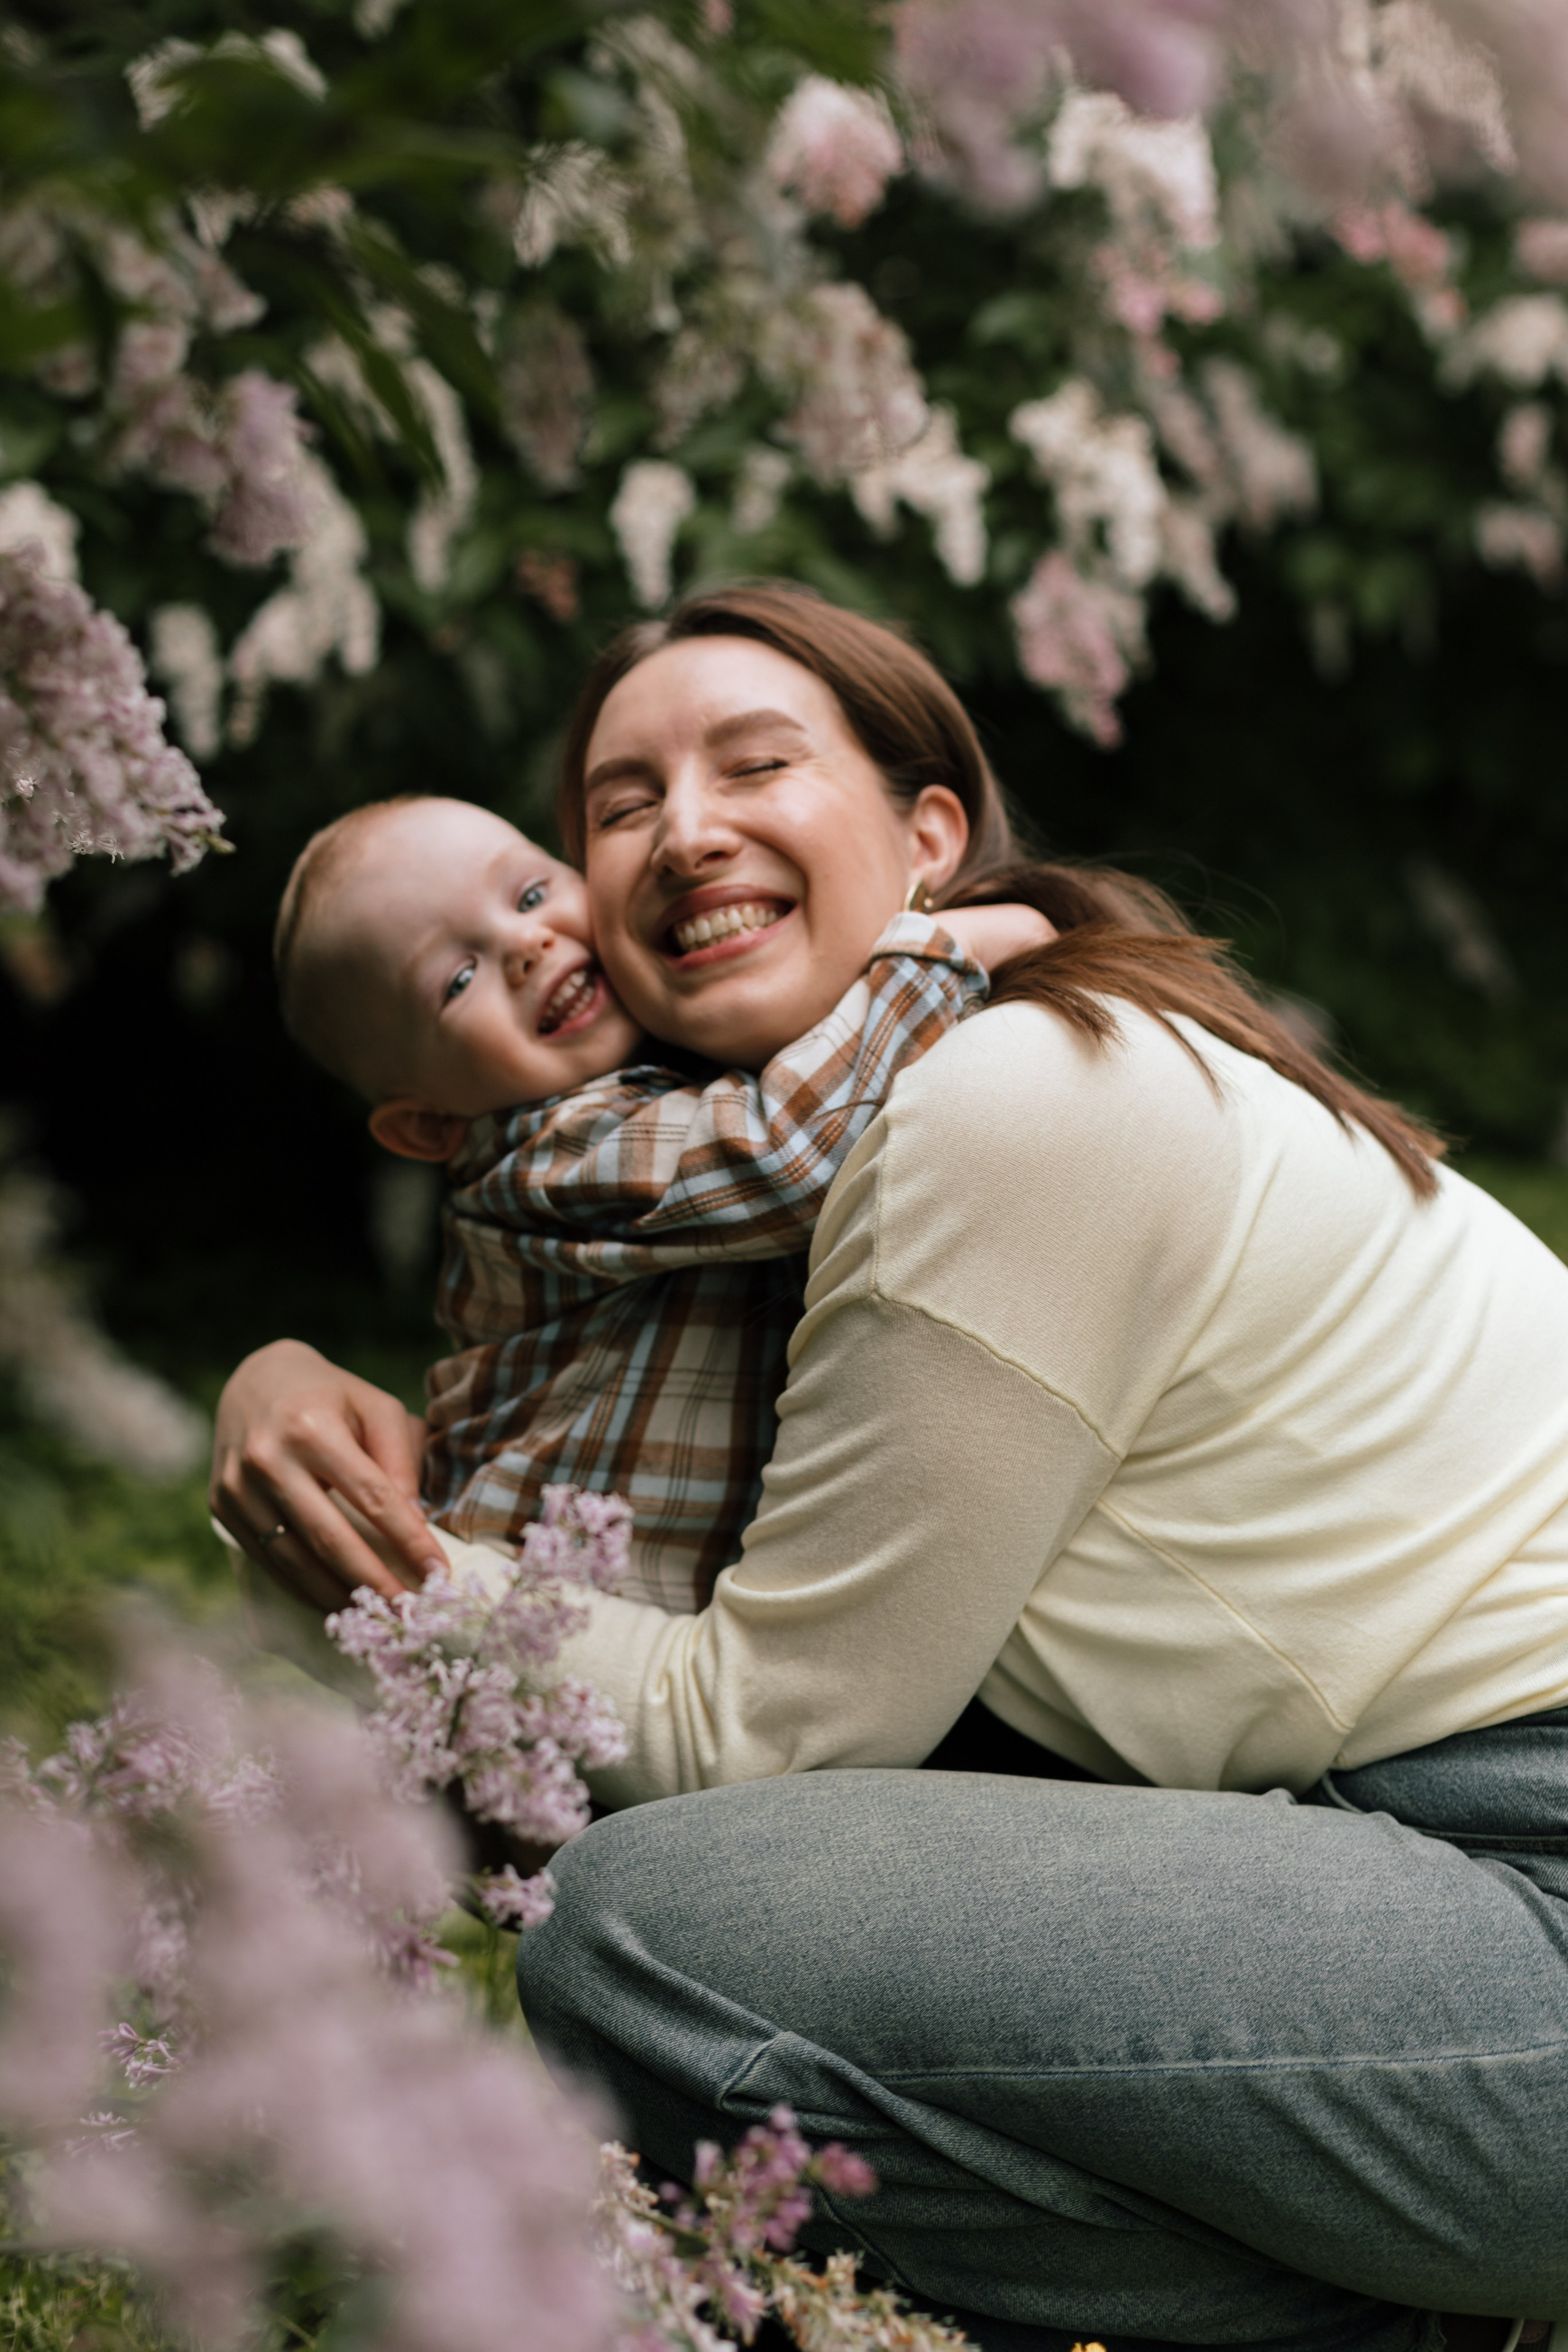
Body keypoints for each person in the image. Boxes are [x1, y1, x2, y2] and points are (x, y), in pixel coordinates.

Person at [213, 582, 1568, 2346]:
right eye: (620, 809)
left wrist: (379, 1570)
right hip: (1416, 1865)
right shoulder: (784, 1188)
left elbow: (762, 1740)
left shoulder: (1016, 1106)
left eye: (757, 765)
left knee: (646, 1940)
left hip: (1526, 1883)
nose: (687, 830)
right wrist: (285, 1380)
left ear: (932, 839)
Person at [270, 793, 1036, 1610]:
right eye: (458, 979)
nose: (526, 945)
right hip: (544, 1623)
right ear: (427, 1125)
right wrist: (944, 950)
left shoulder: (657, 1088)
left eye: (530, 896)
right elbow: (784, 1158)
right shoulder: (543, 1157)